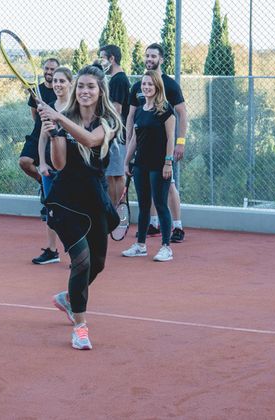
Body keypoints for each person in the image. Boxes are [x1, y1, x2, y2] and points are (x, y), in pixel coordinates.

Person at [38, 65, 123, 350]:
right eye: (82, 86)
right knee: (82, 260)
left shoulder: (109, 120)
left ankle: (68, 298)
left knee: (97, 264)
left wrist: (58, 118)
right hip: (66, 200)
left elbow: (90, 140)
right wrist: (53, 134)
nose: (85, 91)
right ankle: (81, 327)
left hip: (94, 198)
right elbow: (59, 163)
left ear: (100, 92)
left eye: (91, 87)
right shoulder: (66, 118)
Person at [126, 43, 188, 243]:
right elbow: (131, 117)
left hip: (162, 152)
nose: (149, 59)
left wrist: (180, 143)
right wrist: (129, 145)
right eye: (147, 56)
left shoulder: (170, 85)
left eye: (153, 56)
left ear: (161, 59)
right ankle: (153, 224)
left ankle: (177, 227)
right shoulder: (138, 86)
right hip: (143, 152)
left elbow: (182, 114)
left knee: (167, 187)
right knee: (146, 190)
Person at [123, 70, 175, 262]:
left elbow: (171, 138)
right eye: (144, 84)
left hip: (159, 165)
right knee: (144, 206)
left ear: (157, 87)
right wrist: (126, 161)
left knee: (160, 204)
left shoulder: (165, 110)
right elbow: (135, 140)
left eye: (150, 84)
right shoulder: (139, 110)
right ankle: (140, 245)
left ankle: (166, 247)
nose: (146, 87)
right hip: (141, 165)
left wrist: (168, 162)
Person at [32, 66, 73, 265]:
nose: (57, 84)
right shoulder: (48, 106)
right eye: (55, 81)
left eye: (62, 81)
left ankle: (77, 253)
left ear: (70, 83)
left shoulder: (75, 108)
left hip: (70, 168)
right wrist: (41, 163)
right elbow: (42, 138)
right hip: (50, 167)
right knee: (51, 209)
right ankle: (51, 250)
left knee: (73, 210)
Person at [18, 58, 59, 219]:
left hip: (55, 135)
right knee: (24, 161)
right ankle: (43, 184)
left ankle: (51, 201)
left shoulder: (60, 89)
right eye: (47, 69)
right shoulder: (36, 90)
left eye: (52, 70)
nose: (49, 72)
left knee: (55, 169)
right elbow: (34, 114)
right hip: (37, 133)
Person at [99, 44, 130, 206]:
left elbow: (116, 109)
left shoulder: (118, 79)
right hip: (117, 134)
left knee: (115, 175)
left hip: (117, 136)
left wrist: (109, 133)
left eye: (103, 58)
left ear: (112, 59)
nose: (101, 62)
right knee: (113, 175)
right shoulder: (117, 79)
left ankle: (114, 213)